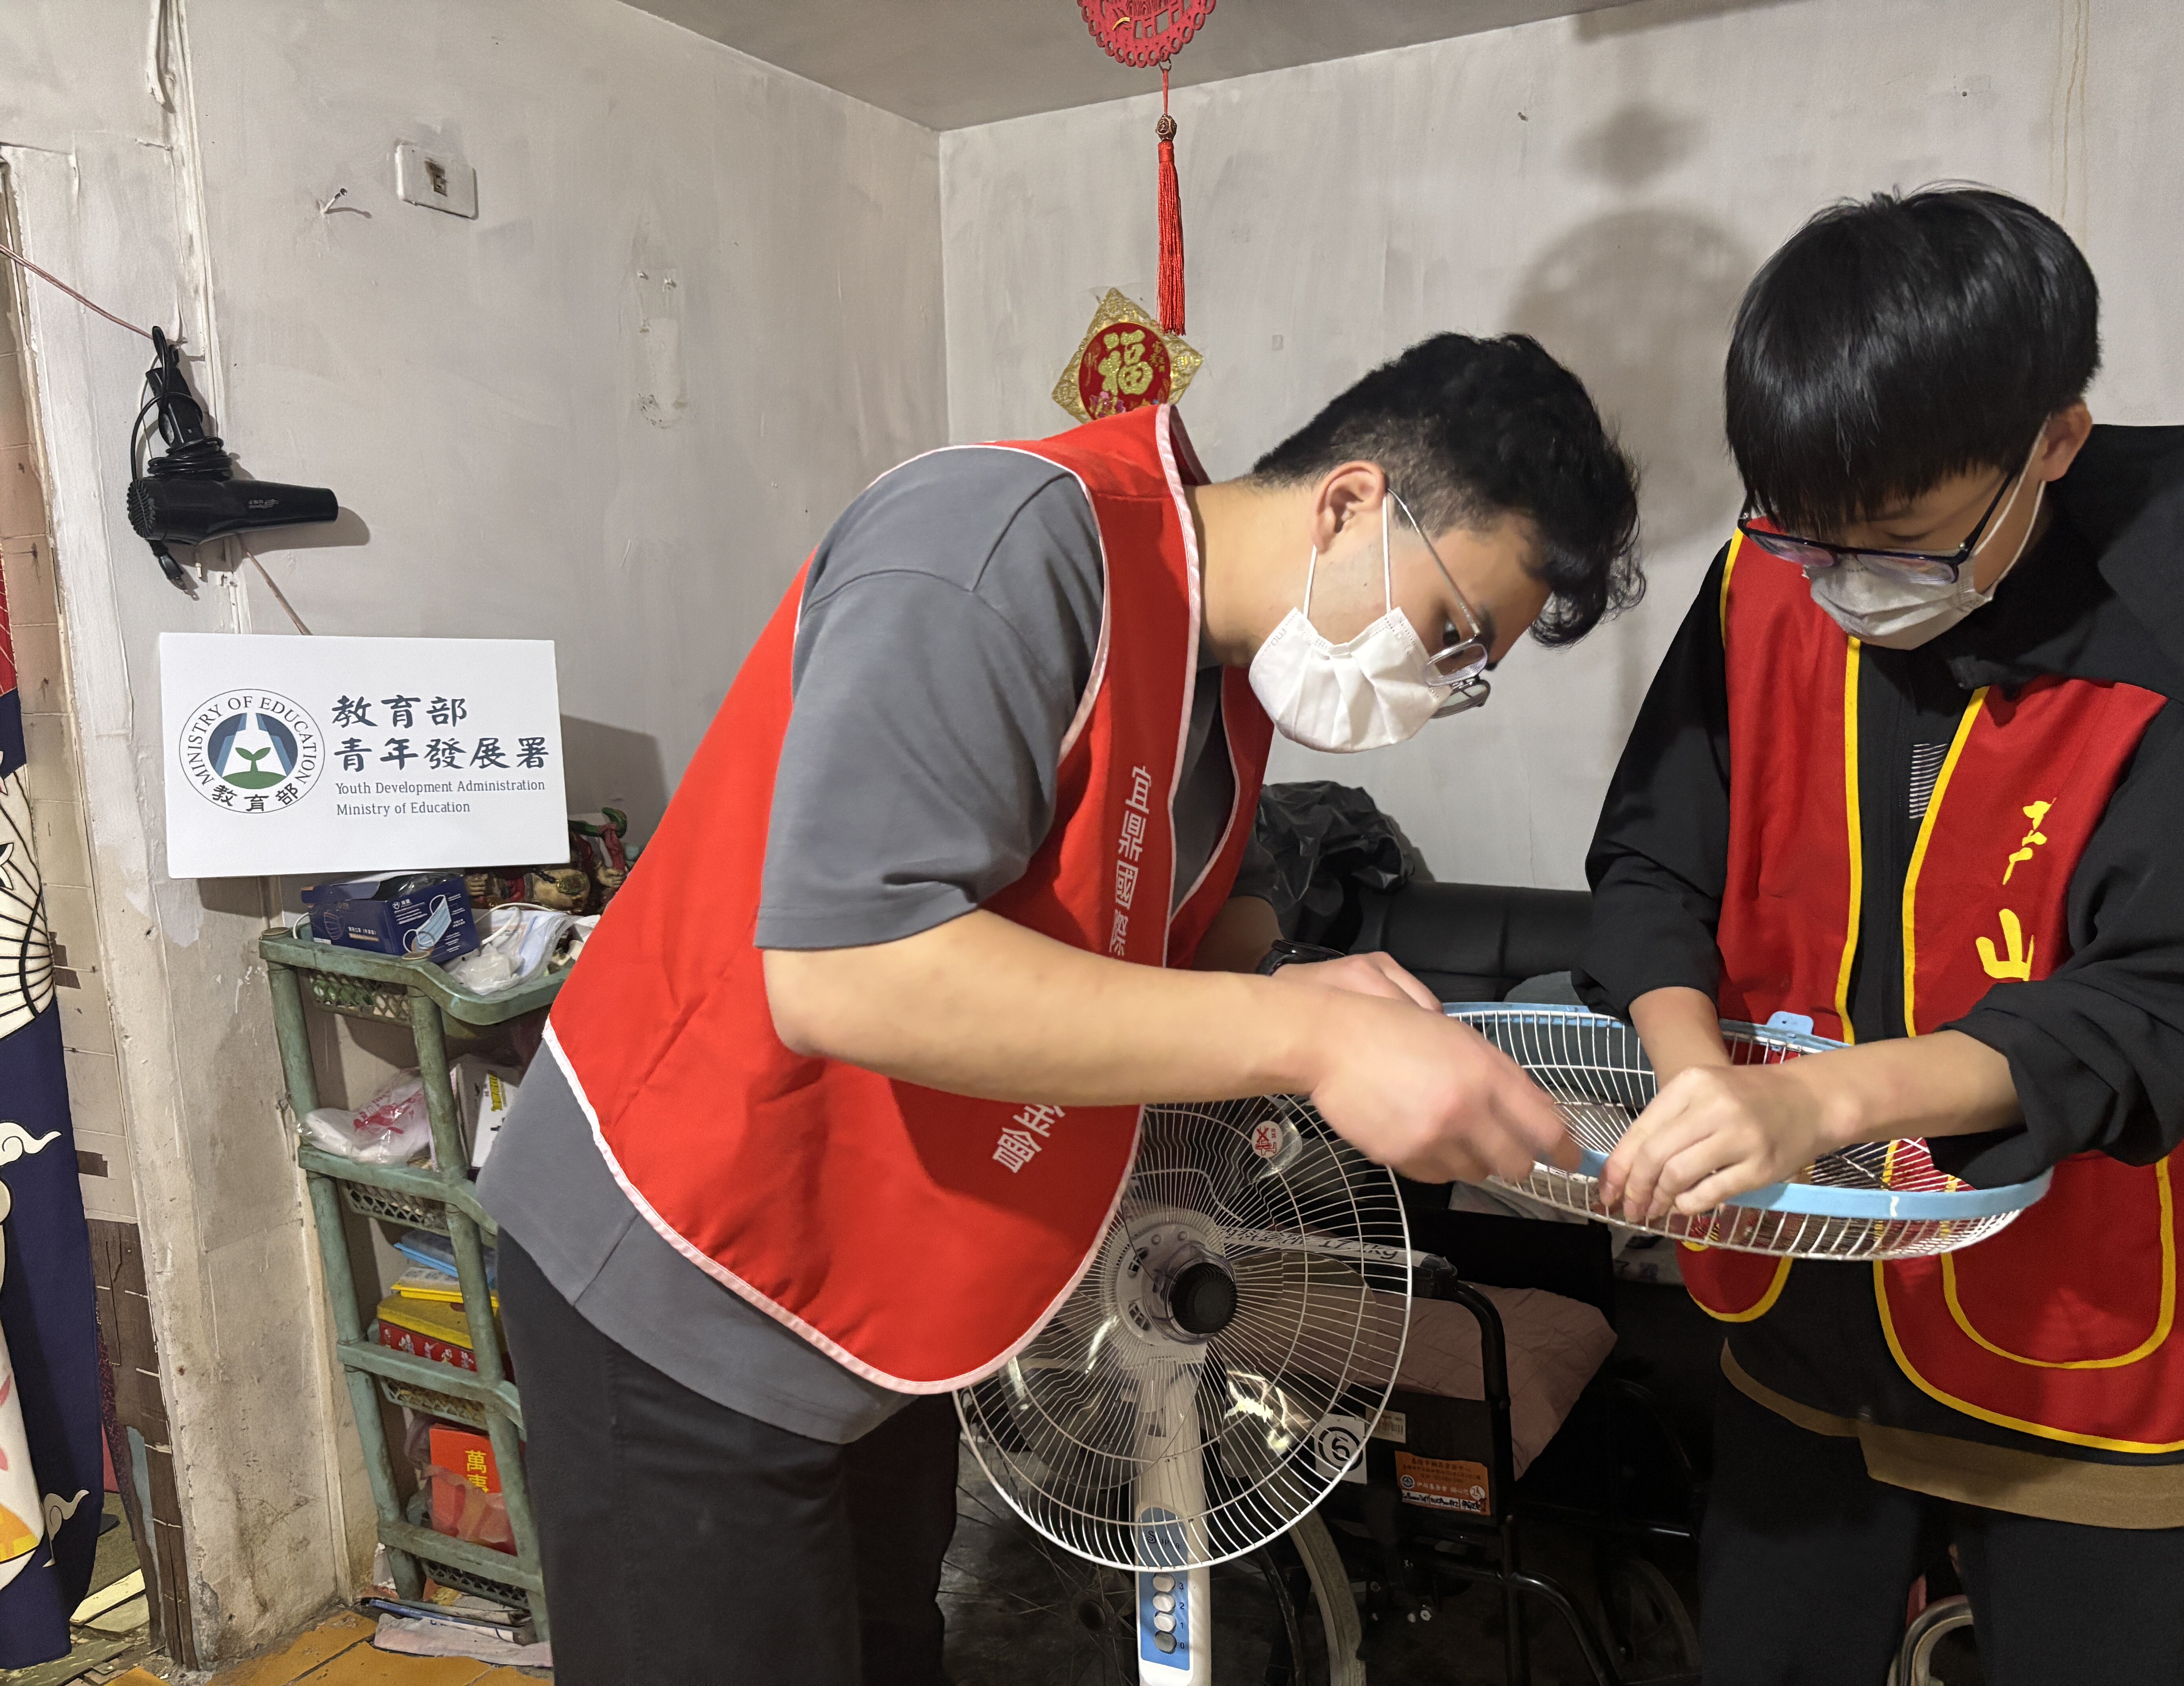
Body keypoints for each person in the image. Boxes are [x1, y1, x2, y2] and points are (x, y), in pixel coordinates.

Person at [481, 331, 1641, 1682]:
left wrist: (1299, 986)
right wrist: (1317, 1035)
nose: (1435, 688)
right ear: (1348, 503)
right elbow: (850, 967)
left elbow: (1153, 953)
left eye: (1466, 671)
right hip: (689, 1252)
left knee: (886, 1646)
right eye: (1448, 633)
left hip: (883, 1284)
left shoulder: (1221, 688)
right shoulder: (1003, 543)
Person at [1576, 186, 2184, 1685]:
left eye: (1901, 543)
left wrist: (1816, 1102)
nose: (1843, 585)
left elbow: (2164, 1001)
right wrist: (1696, 1083)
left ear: (2054, 442)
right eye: (1806, 536)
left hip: (2089, 1345)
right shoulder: (1774, 570)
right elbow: (1654, 860)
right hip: (1803, 1305)